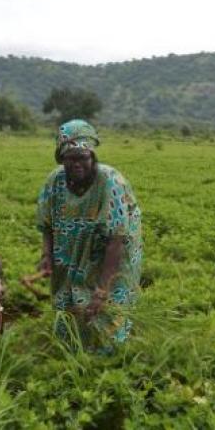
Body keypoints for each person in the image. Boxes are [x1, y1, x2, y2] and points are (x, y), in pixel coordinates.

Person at [36, 119, 143, 351]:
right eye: (70, 158)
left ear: (92, 156)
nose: (76, 164)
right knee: (68, 294)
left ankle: (110, 353)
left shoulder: (109, 182)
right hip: (71, 246)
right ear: (62, 159)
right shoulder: (55, 181)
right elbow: (47, 224)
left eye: (82, 157)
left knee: (106, 305)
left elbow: (115, 240)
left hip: (113, 248)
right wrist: (46, 255)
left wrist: (103, 289)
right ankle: (72, 346)